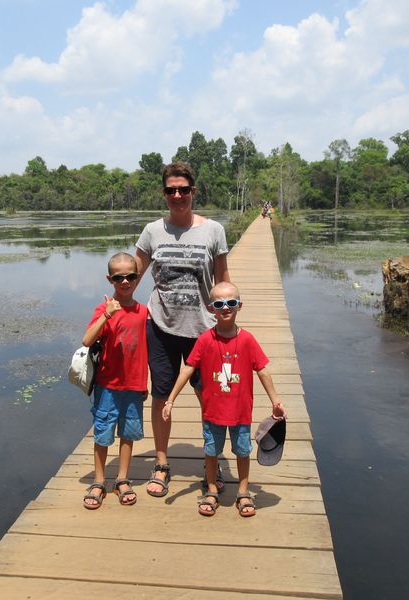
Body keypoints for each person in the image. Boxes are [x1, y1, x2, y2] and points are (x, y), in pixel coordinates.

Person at [135, 161, 231, 497]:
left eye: (183, 189)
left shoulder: (213, 231)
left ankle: (211, 463)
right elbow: (133, 275)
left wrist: (228, 323)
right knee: (161, 395)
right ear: (164, 193)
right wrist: (112, 312)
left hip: (203, 330)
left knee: (209, 398)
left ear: (193, 191)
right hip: (161, 327)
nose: (177, 196)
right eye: (171, 190)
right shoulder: (152, 232)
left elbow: (223, 281)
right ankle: (161, 463)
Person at [162, 282, 287, 517]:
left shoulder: (248, 340)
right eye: (219, 304)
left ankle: (243, 491)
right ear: (211, 309)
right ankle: (211, 490)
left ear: (239, 306)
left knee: (242, 451)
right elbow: (188, 368)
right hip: (213, 412)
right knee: (211, 452)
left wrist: (275, 401)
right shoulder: (205, 340)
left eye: (231, 302)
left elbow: (262, 370)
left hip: (240, 413)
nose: (225, 307)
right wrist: (171, 400)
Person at [81, 252, 148, 509]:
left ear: (137, 277)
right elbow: (87, 340)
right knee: (103, 432)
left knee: (128, 433)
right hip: (108, 385)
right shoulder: (104, 309)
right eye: (119, 278)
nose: (125, 281)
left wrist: (145, 384)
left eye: (130, 276)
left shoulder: (143, 311)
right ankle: (99, 481)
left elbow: (144, 349)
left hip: (134, 385)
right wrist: (106, 315)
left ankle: (122, 479)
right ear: (110, 280)